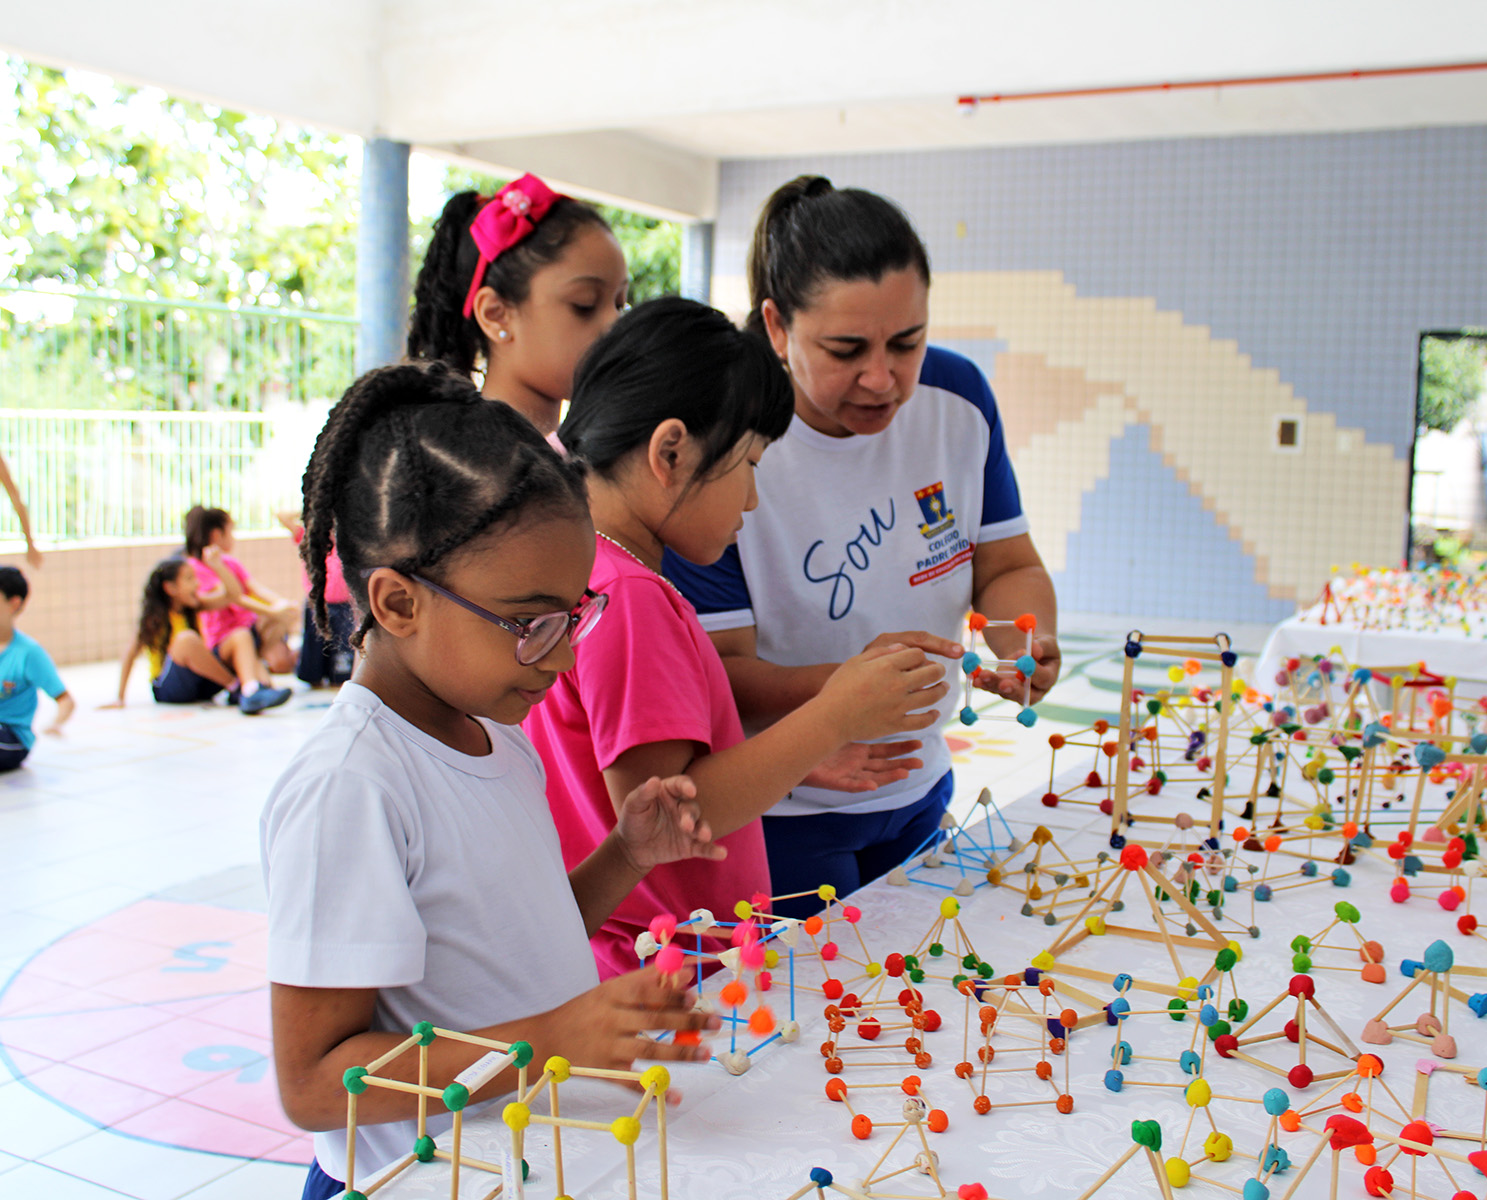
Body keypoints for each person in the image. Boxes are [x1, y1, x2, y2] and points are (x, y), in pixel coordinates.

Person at [264, 362, 721, 1198]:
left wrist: (625, 854)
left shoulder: (496, 735)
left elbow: (518, 933)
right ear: (397, 603)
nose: (564, 655)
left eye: (573, 615)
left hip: (513, 1160)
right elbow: (316, 1083)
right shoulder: (351, 787)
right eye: (528, 623)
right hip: (408, 1180)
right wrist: (548, 1041)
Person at [665, 176, 1063, 917]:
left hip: (920, 785)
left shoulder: (959, 399)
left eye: (907, 343)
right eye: (846, 349)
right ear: (777, 326)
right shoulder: (726, 439)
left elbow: (1007, 563)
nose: (882, 379)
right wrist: (852, 697)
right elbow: (718, 670)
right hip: (782, 811)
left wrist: (1024, 641)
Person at [527, 298, 949, 977]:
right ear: (670, 452)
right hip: (669, 967)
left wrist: (805, 747)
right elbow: (670, 813)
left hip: (635, 953)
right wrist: (835, 715)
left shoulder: (582, 568)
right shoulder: (630, 598)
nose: (752, 500)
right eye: (749, 464)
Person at [408, 172, 630, 436]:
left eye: (620, 304)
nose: (615, 325)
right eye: (585, 305)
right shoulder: (448, 455)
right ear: (495, 315)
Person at [104, 557, 291, 714]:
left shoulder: (195, 605)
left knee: (240, 635)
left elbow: (232, 595)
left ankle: (252, 690)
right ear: (170, 588)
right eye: (189, 579)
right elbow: (130, 654)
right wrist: (120, 697)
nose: (197, 583)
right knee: (187, 639)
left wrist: (218, 566)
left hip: (201, 681)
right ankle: (236, 687)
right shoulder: (154, 620)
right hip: (170, 689)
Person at [184, 506, 298, 677]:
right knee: (246, 637)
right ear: (216, 535)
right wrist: (272, 611)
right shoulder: (196, 569)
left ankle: (258, 661)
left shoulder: (230, 562)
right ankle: (252, 667)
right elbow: (234, 597)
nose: (233, 537)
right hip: (227, 638)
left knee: (286, 616)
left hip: (249, 627)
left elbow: (255, 589)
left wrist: (282, 605)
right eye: (231, 531)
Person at [0, 566, 71, 767]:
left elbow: (65, 700)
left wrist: (56, 724)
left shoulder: (28, 652)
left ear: (14, 604)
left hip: (11, 738)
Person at [277, 510, 355, 688]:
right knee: (314, 649)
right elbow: (282, 516)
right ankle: (314, 678)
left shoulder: (348, 540)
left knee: (341, 656)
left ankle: (337, 680)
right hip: (317, 604)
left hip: (344, 606)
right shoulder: (310, 538)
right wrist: (317, 507)